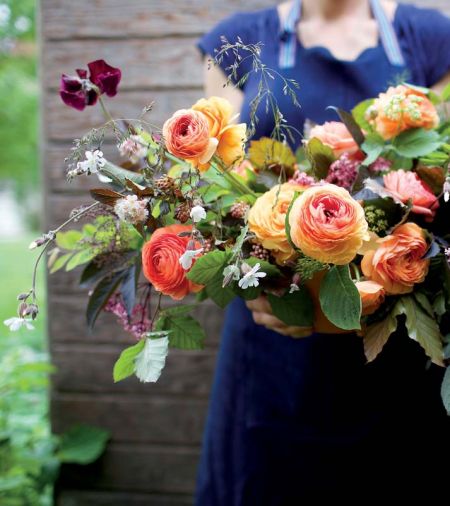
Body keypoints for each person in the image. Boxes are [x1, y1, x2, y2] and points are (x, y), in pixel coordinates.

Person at [196, 0, 450, 503]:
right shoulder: (233, 43)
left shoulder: (430, 38)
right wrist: (261, 279)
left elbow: (445, 180)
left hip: (396, 343)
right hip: (272, 340)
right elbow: (217, 186)